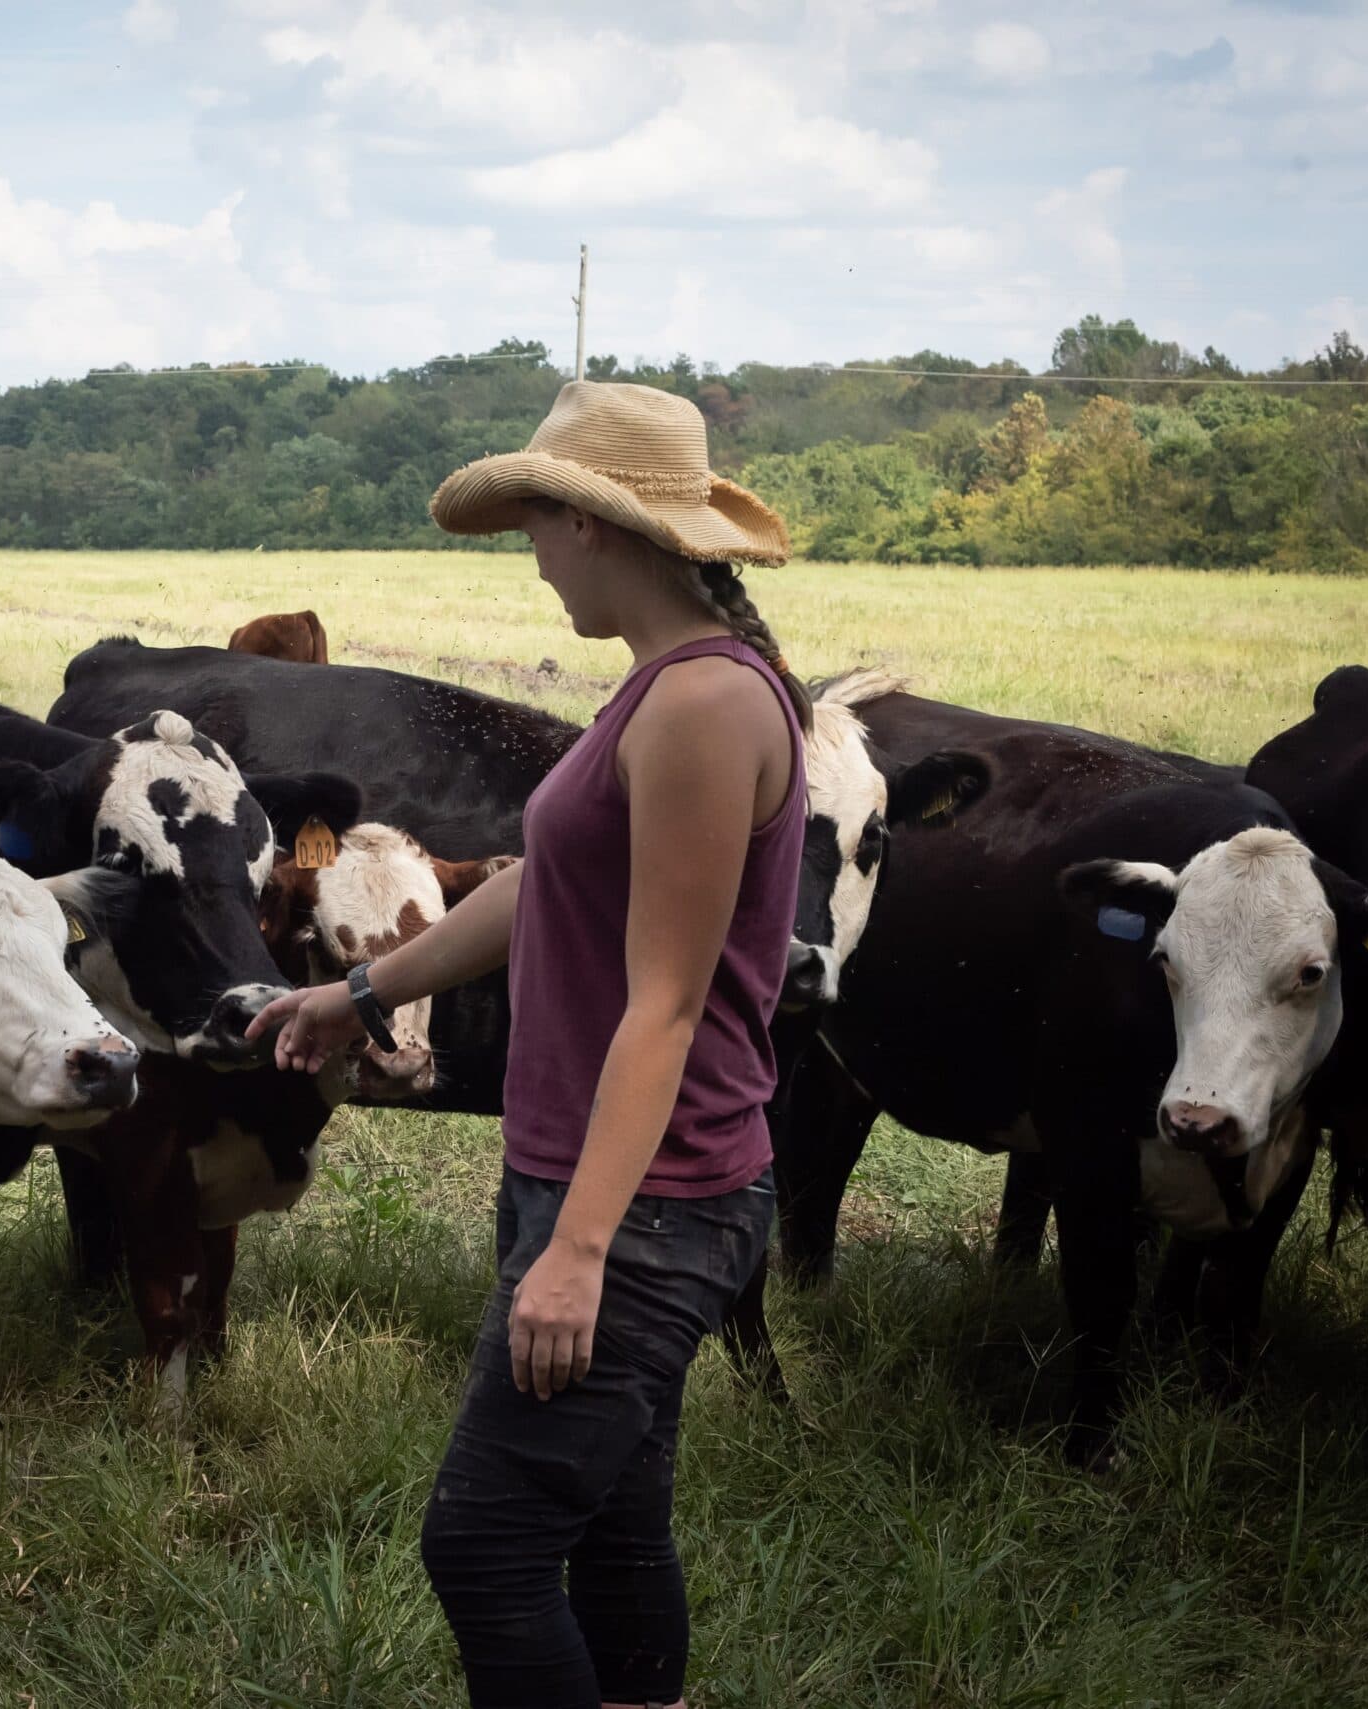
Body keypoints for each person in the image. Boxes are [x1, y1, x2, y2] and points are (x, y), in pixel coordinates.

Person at [248, 381, 808, 1709]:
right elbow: (534, 887)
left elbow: (664, 1003)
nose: (536, 557)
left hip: (649, 1199)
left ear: (597, 525)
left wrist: (577, 1249)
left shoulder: (701, 711)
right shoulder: (662, 692)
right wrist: (363, 989)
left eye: (540, 528)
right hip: (618, 1179)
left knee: (486, 1547)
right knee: (614, 1527)